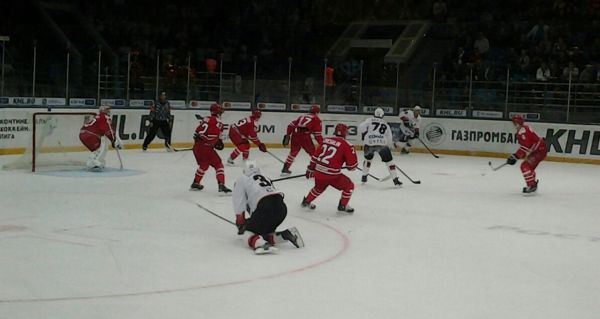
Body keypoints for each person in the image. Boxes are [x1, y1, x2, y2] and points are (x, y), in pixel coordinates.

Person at [233, 161, 304, 254]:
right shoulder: (266, 178)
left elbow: (239, 202)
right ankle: (287, 234)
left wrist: (241, 222)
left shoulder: (241, 180)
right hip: (281, 207)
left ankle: (261, 245)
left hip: (265, 206)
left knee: (247, 235)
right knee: (264, 234)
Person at [302, 123, 358, 213]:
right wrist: (350, 166)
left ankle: (306, 201)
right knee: (349, 186)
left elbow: (315, 156)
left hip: (319, 172)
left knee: (318, 188)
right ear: (345, 133)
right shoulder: (348, 145)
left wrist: (310, 168)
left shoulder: (325, 140)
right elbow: (352, 166)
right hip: (332, 175)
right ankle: (343, 205)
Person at [190, 103, 231, 193]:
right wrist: (216, 142)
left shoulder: (205, 118)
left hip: (197, 147)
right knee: (218, 164)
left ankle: (196, 183)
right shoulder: (219, 123)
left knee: (204, 165)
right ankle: (221, 185)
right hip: (206, 148)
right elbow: (211, 137)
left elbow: (197, 133)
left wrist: (203, 142)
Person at [358, 108, 402, 186]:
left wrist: (366, 134)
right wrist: (388, 147)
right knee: (389, 162)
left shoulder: (369, 120)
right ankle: (395, 179)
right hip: (382, 144)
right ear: (382, 115)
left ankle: (364, 176)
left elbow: (361, 127)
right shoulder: (386, 124)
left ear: (374, 114)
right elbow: (389, 138)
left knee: (367, 160)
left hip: (369, 143)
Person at [506, 114, 548, 193]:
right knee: (528, 167)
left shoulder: (522, 132)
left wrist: (515, 156)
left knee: (525, 166)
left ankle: (531, 185)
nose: (514, 125)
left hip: (539, 151)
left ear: (518, 123)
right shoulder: (525, 128)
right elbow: (529, 144)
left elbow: (526, 145)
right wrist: (518, 155)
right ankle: (532, 183)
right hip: (540, 149)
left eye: (515, 123)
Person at [281, 105, 323, 175]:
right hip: (305, 137)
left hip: (295, 134)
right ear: (317, 112)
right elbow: (317, 135)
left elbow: (291, 125)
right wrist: (323, 144)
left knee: (293, 152)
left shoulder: (302, 116)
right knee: (313, 153)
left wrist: (288, 134)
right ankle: (316, 169)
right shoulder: (316, 119)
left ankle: (285, 168)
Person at [79, 105, 123, 171]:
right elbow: (107, 129)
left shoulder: (98, 116)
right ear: (104, 110)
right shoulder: (105, 117)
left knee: (97, 148)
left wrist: (113, 140)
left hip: (83, 133)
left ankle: (95, 162)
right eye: (107, 110)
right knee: (99, 149)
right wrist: (113, 140)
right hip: (90, 135)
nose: (109, 111)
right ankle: (93, 163)